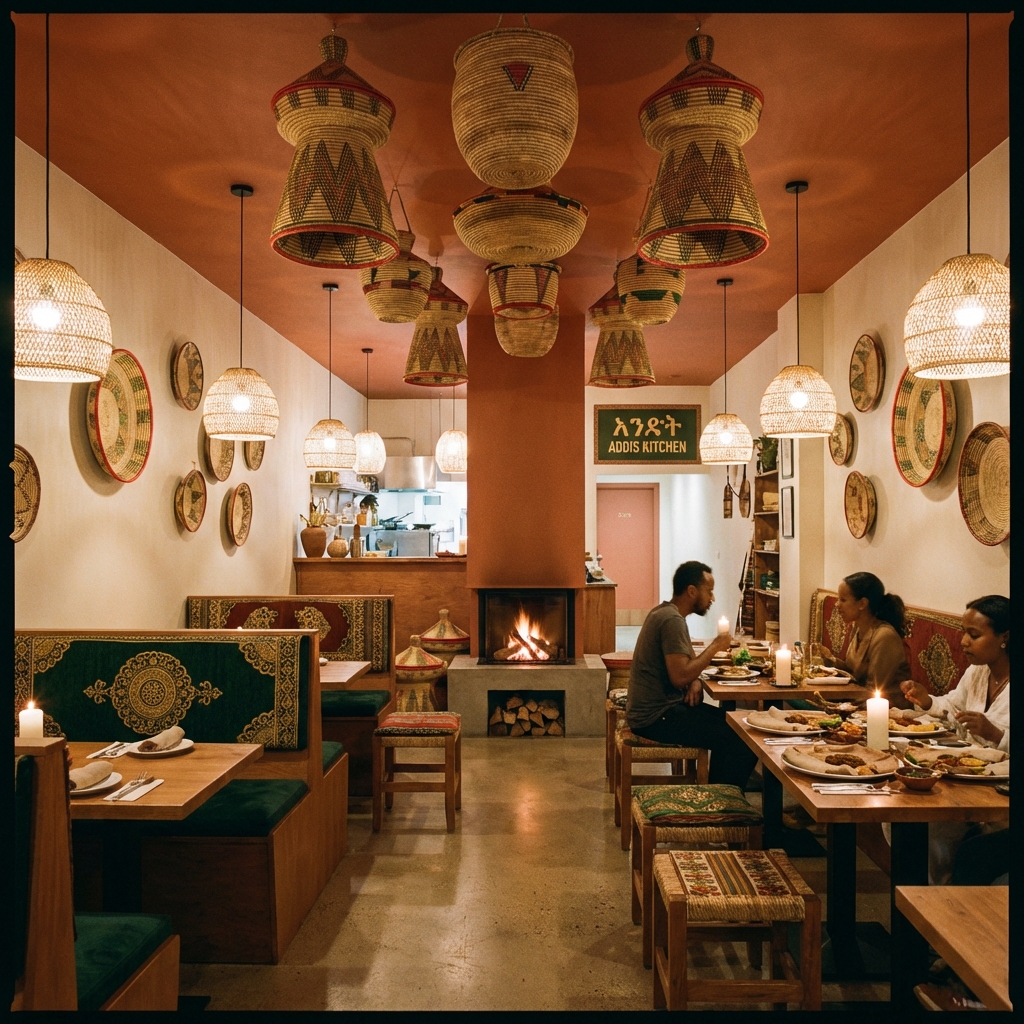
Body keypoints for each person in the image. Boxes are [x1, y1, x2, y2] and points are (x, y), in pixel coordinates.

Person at [625, 560, 758, 790]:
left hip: (660, 710)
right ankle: (725, 800)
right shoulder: (672, 620)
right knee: (744, 737)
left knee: (735, 725)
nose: (712, 598)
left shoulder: (667, 612)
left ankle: (719, 790)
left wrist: (695, 680)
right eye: (709, 591)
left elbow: (686, 663)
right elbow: (679, 677)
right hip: (655, 718)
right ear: (691, 591)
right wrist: (715, 646)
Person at [901, 594, 1009, 750]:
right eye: (963, 632)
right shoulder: (978, 670)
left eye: (974, 635)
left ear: (1005, 637)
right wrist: (926, 700)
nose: (964, 641)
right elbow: (955, 708)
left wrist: (995, 734)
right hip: (968, 758)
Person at [821, 572, 912, 707]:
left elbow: (874, 690)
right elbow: (852, 672)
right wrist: (826, 659)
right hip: (857, 702)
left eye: (843, 600)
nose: (837, 605)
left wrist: (835, 706)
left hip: (887, 711)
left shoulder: (885, 636)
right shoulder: (857, 628)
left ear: (862, 603)